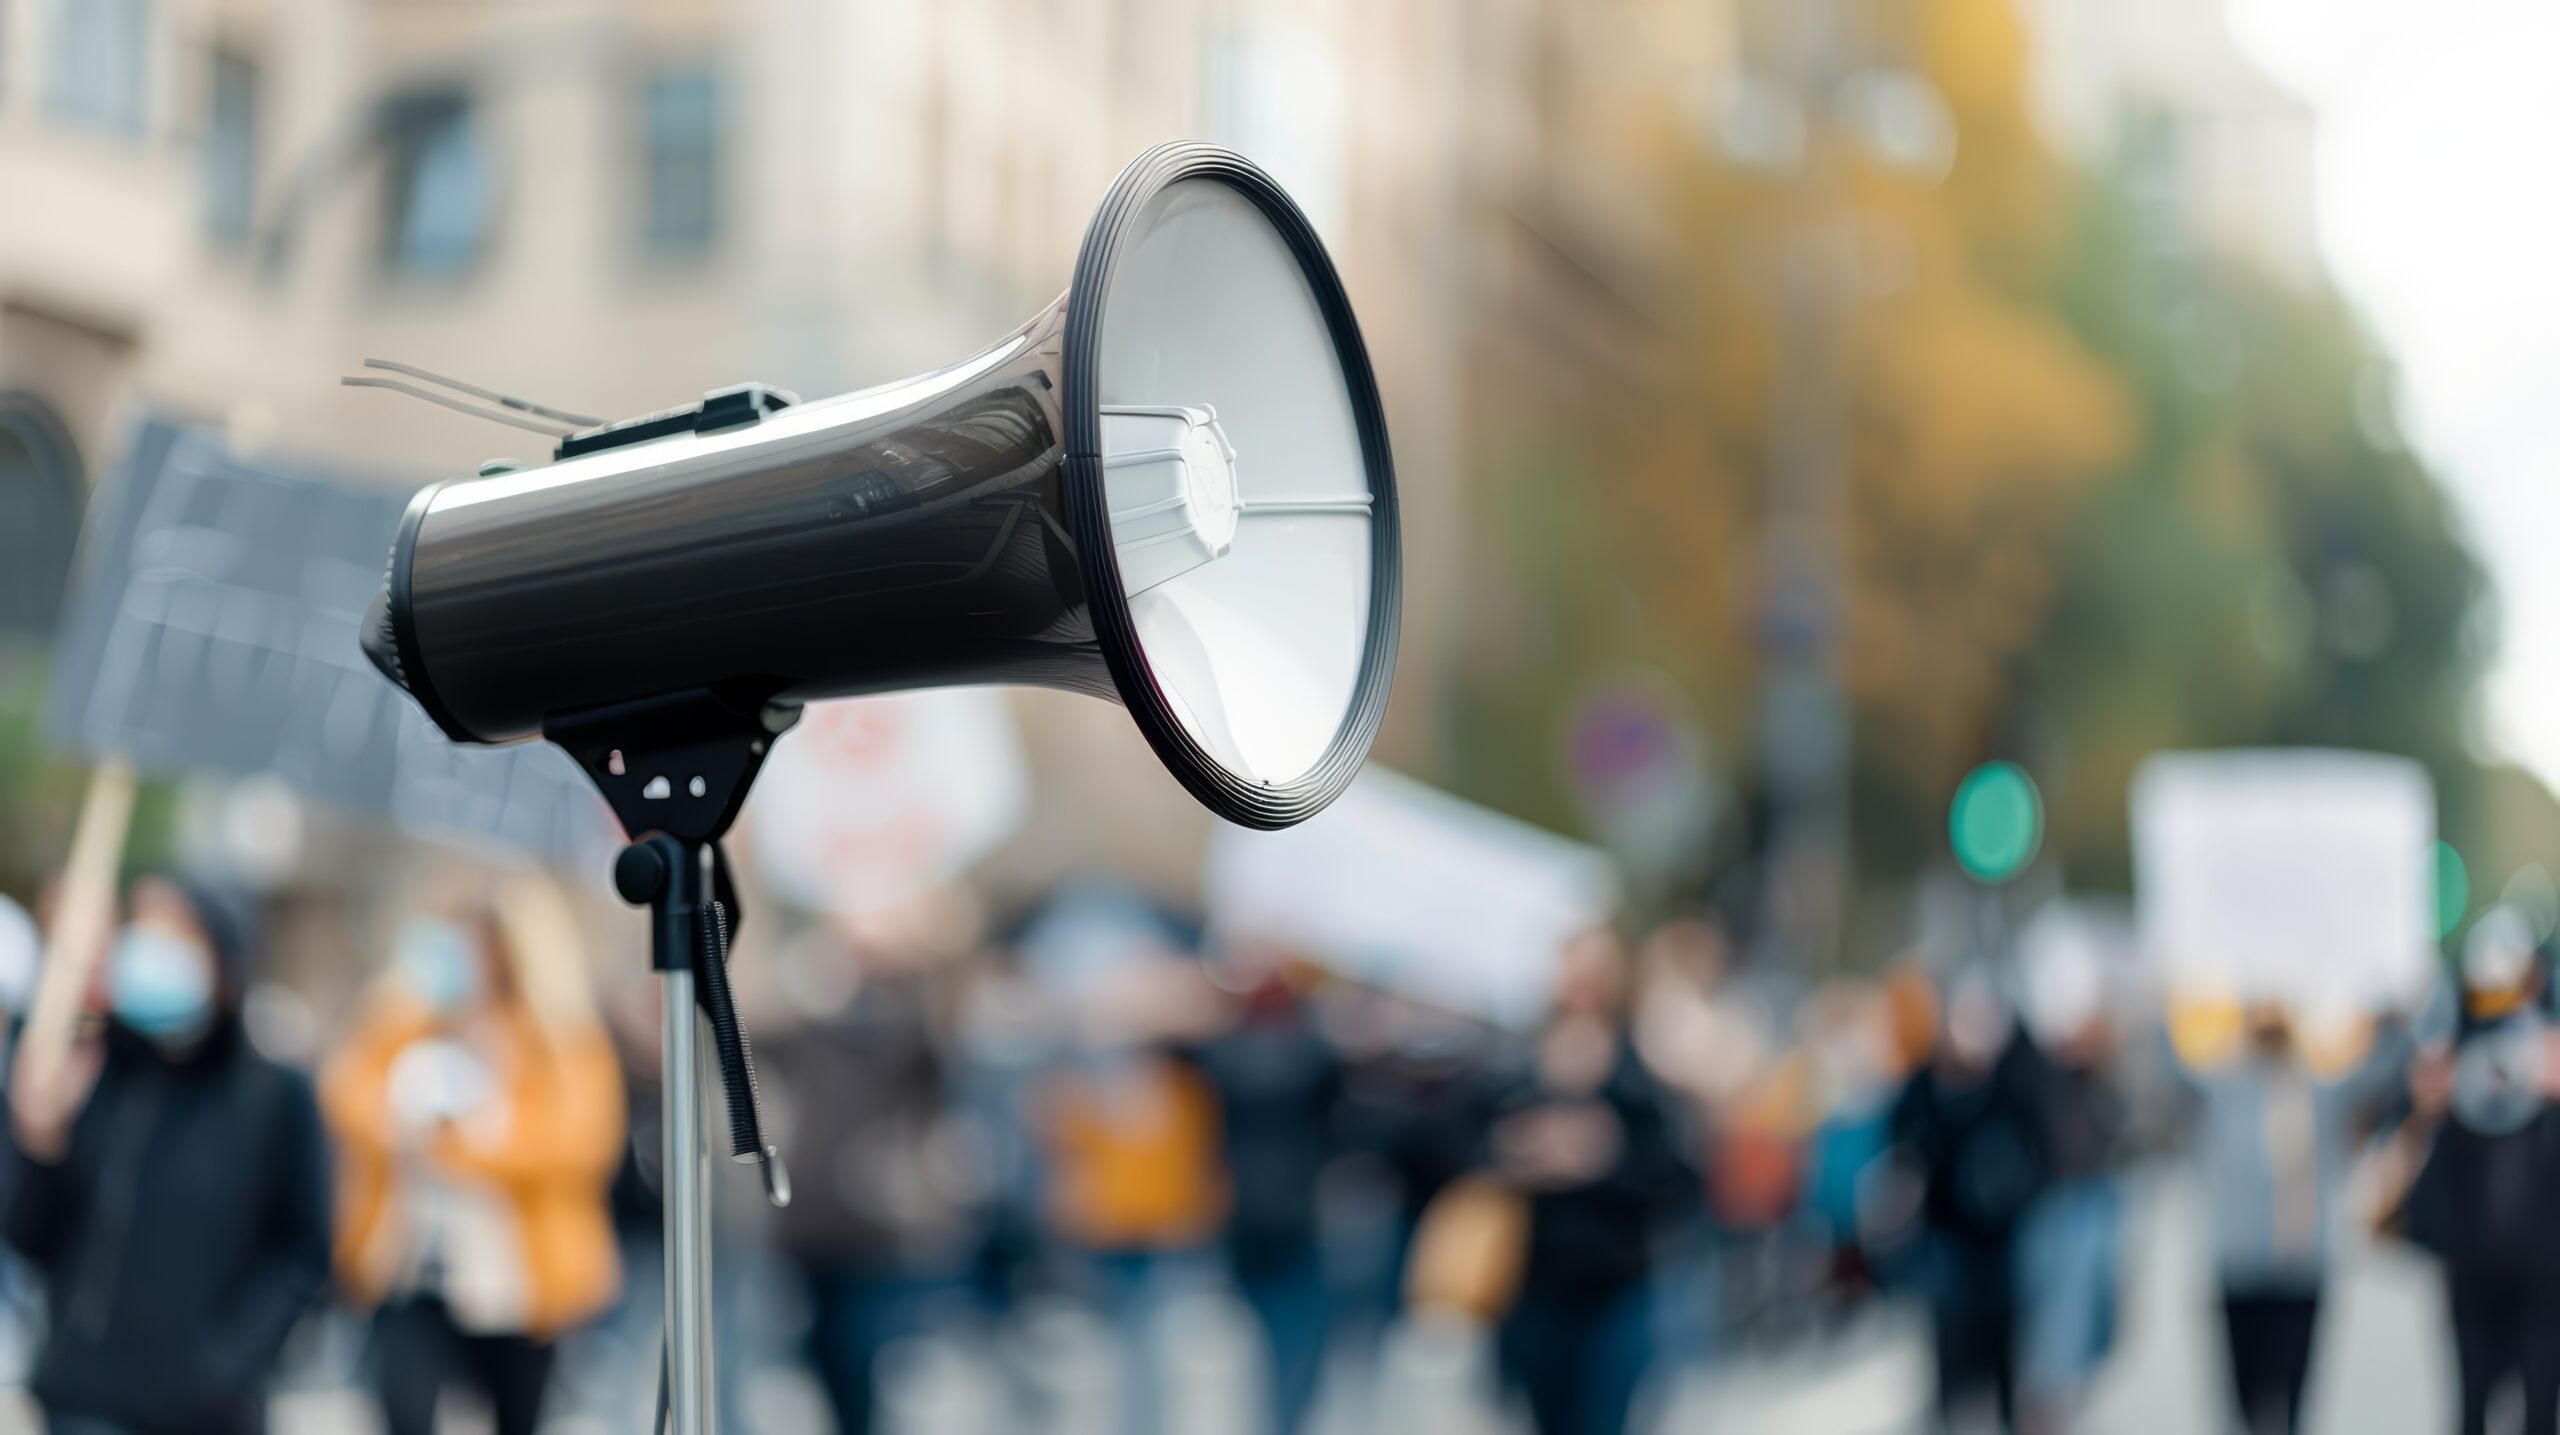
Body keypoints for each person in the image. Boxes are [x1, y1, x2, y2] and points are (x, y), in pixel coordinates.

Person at [3, 874, 333, 1435]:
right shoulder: (90, 1068)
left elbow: (304, 1253)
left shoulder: (276, 1096)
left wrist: (228, 1368)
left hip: (206, 1415)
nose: (153, 948)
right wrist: (39, 1142)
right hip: (82, 1399)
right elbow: (31, 1241)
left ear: (225, 957)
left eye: (178, 931)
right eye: (144, 925)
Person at [323, 876, 625, 1435]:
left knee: (517, 1417)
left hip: (517, 1284)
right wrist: (403, 1108)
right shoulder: (407, 1021)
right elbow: (346, 1092)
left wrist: (461, 1141)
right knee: (404, 1410)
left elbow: (581, 1142)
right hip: (410, 1271)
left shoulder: (559, 1038)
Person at [760, 917, 976, 1435]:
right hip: (808, 1227)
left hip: (873, 1231)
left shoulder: (904, 1040)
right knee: (822, 1356)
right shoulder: (807, 1034)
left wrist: (904, 948)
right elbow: (749, 1016)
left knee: (865, 1362)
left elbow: (948, 1012)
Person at [1492, 929, 1695, 1435]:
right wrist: (1523, 1150)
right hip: (1534, 1288)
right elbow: (1467, 1148)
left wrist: (1601, 1158)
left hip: (1615, 1289)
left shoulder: (1639, 1070)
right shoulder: (1520, 1065)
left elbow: (1673, 1181)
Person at [2179, 997, 2400, 1435]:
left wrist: (2389, 1005)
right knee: (2243, 1404)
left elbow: (2380, 1071)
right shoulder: (2222, 1084)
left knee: (2293, 1404)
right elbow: (2168, 1061)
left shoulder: (2320, 1088)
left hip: (2300, 1267)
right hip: (2239, 1267)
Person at [2405, 909, 2560, 1435]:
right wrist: (2430, 1090)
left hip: (2543, 1267)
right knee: (2471, 1404)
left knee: (2539, 1406)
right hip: (2471, 1262)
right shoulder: (2448, 1052)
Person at [1886, 970, 2053, 1435]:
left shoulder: (2011, 1085)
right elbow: (1901, 1153)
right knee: (1951, 1351)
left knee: (2005, 1349)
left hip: (2001, 1244)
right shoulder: (1921, 1088)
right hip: (1945, 1240)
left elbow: (2039, 1152)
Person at [1189, 942, 1344, 1435]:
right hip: (1279, 1217)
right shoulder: (1302, 1047)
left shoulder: (1228, 1047)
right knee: (1291, 1351)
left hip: (1253, 1214)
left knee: (1275, 1351)